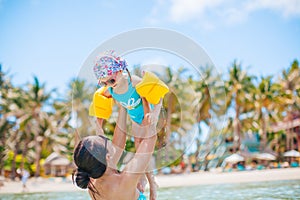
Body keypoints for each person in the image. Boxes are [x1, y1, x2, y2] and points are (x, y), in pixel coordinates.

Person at [89, 50, 169, 200]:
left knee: (141, 146)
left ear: (120, 70)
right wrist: (98, 124)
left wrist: (154, 115)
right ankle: (147, 179)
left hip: (147, 115)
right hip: (134, 119)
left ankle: (150, 182)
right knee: (139, 148)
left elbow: (157, 99)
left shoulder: (134, 82)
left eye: (111, 81)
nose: (108, 84)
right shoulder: (111, 90)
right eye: (103, 82)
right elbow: (101, 105)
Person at [73, 106, 157, 200]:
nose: (105, 138)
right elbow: (150, 139)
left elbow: (119, 143)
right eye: (104, 139)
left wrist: (123, 104)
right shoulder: (126, 178)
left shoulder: (93, 184)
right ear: (108, 157)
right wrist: (149, 117)